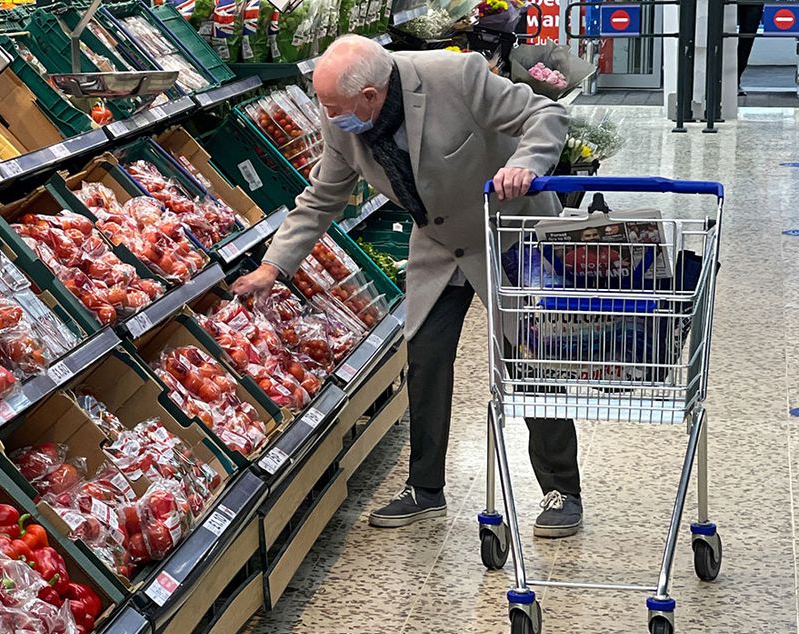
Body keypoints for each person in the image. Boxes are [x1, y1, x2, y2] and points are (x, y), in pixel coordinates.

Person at [232, 35, 585, 537]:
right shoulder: (344, 124)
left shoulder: (454, 77)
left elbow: (546, 116)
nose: (328, 117)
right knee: (425, 354)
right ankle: (425, 488)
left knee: (528, 355)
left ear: (371, 96)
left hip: (505, 231)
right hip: (439, 242)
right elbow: (321, 199)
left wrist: (526, 164)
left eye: (335, 107)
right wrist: (274, 267)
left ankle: (561, 490)